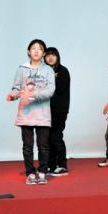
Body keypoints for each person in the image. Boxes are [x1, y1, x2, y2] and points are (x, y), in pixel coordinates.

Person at [6, 39, 55, 185]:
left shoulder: (48, 70)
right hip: (26, 112)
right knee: (27, 146)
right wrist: (13, 95)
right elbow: (16, 88)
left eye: (40, 49)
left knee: (43, 146)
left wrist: (32, 94)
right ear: (29, 51)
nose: (36, 51)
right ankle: (30, 173)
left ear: (43, 53)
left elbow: (50, 90)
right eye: (33, 48)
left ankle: (42, 171)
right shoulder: (21, 69)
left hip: (42, 113)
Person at [44, 47, 71, 176]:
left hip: (59, 110)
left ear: (57, 57)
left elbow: (59, 89)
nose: (50, 57)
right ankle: (51, 165)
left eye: (53, 55)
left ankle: (62, 165)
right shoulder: (42, 71)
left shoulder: (63, 71)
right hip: (45, 110)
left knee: (56, 137)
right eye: (48, 55)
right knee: (48, 138)